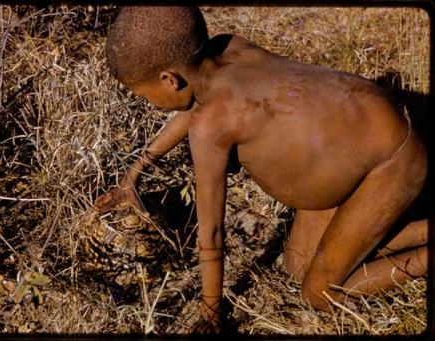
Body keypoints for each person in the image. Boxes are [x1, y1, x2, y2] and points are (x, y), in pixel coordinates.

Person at [95, 6, 428, 334]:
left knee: (319, 292)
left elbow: (211, 236)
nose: (149, 103)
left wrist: (212, 313)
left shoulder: (210, 124)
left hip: (391, 162)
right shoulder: (229, 48)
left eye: (145, 95)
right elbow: (198, 108)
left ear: (169, 78)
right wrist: (134, 173)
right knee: (297, 265)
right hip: (361, 138)